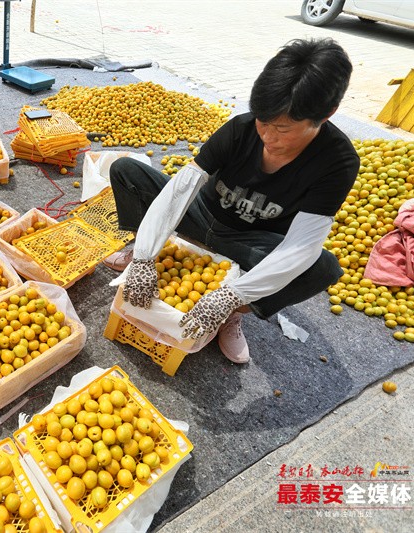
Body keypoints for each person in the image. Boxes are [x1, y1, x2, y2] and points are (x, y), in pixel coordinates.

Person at [103, 38, 359, 364]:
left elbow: (302, 245)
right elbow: (183, 187)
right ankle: (144, 258)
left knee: (322, 268)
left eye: (282, 129)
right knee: (127, 171)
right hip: (202, 216)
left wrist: (233, 295)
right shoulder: (240, 129)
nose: (267, 136)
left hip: (249, 241)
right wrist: (144, 254)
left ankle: (231, 314)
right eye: (263, 122)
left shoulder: (337, 162)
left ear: (326, 115)